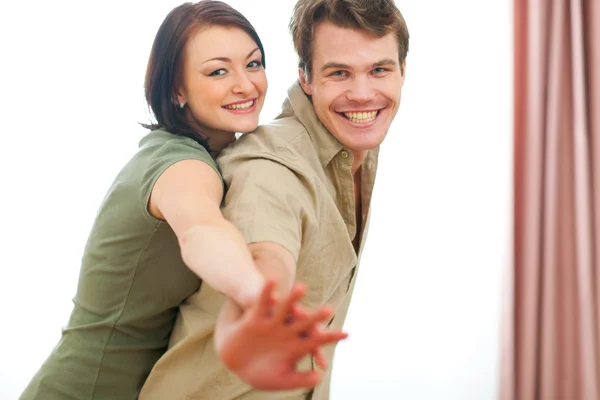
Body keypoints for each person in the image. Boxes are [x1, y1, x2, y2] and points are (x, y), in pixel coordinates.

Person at [19, 1, 345, 399]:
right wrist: (258, 297)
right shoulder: (184, 166)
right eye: (218, 71)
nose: (245, 84)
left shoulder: (221, 155)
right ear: (177, 89)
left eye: (254, 64)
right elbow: (201, 230)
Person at [140, 0, 410, 398]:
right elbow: (266, 253)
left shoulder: (352, 147)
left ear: (403, 71)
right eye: (339, 73)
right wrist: (260, 306)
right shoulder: (269, 165)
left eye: (379, 70)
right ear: (305, 78)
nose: (362, 93)